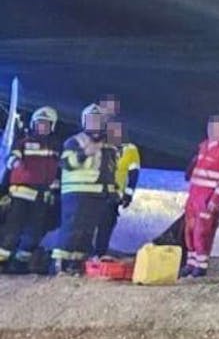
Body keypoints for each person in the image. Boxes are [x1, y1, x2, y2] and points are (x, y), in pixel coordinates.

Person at [51, 104, 112, 275]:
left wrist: (112, 190)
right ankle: (60, 264)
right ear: (84, 121)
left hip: (96, 193)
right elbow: (66, 164)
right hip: (76, 193)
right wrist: (84, 154)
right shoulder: (75, 141)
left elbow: (109, 169)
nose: (95, 123)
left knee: (87, 231)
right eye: (91, 120)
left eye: (98, 120)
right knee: (71, 228)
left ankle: (76, 263)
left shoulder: (107, 144)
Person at [0, 107, 60, 274]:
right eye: (39, 124)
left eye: (46, 125)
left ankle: (21, 262)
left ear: (52, 126)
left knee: (33, 232)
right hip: (21, 194)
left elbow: (55, 171)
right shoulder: (24, 142)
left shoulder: (54, 147)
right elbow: (11, 157)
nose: (42, 127)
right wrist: (15, 163)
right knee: (13, 230)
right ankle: (2, 260)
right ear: (34, 124)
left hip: (41, 197)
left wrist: (53, 191)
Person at [182, 114, 219, 277]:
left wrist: (215, 201)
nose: (212, 130)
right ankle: (191, 262)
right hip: (194, 197)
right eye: (210, 127)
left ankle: (201, 266)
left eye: (216, 128)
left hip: (208, 200)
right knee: (190, 230)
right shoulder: (203, 146)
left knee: (203, 232)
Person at [90, 118, 140, 259]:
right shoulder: (100, 146)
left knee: (106, 225)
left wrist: (128, 195)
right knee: (89, 223)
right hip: (96, 192)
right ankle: (86, 254)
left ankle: (99, 254)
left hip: (114, 195)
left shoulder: (130, 149)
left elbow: (134, 173)